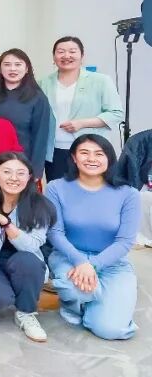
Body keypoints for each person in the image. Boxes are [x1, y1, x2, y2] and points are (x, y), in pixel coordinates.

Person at [46, 134, 138, 340]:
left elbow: (125, 241)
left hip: (112, 262)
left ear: (109, 158)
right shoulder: (56, 187)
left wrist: (93, 265)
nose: (91, 159)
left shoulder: (128, 193)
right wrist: (81, 262)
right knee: (78, 290)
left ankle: (103, 303)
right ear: (74, 157)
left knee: (111, 330)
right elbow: (55, 232)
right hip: (69, 258)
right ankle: (76, 305)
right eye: (84, 153)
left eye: (99, 153)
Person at [0, 152, 56, 343]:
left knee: (28, 262)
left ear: (29, 176)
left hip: (24, 261)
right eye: (7, 172)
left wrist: (6, 223)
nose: (14, 178)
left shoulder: (39, 205)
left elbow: (32, 246)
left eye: (20, 173)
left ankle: (26, 313)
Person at [39, 36, 125, 182]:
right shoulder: (43, 83)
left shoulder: (100, 81)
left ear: (82, 56)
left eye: (72, 51)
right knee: (58, 191)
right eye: (61, 52)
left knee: (92, 190)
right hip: (54, 151)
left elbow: (116, 113)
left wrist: (82, 123)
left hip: (90, 150)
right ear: (54, 57)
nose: (66, 55)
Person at [0, 49, 52, 180]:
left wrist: (35, 171)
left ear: (27, 69)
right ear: (0, 69)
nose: (12, 69)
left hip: (21, 163)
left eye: (18, 64)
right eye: (7, 64)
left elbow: (40, 137)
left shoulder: (37, 98)